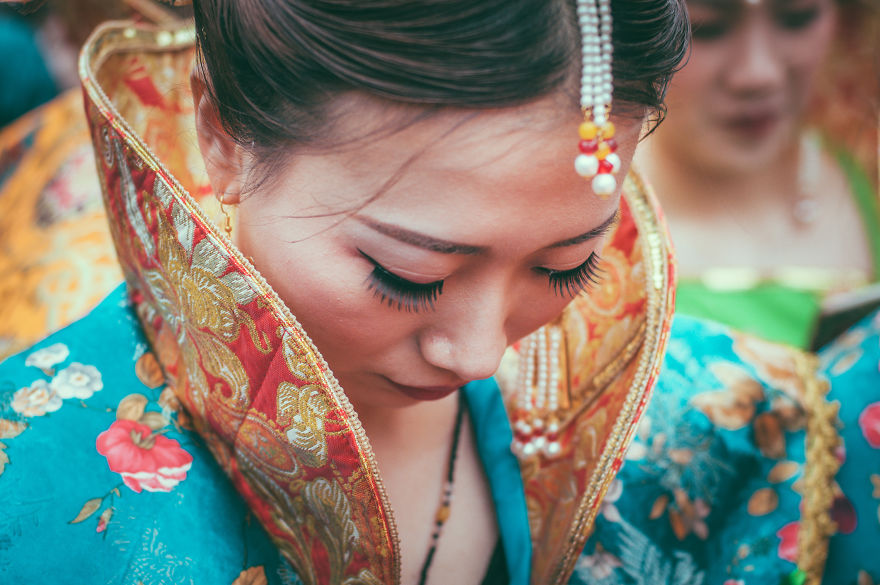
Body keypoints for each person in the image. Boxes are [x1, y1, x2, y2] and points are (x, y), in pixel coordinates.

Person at [0, 2, 877, 585]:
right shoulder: (32, 483)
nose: (481, 352)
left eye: (567, 265)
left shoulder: (721, 429)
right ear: (224, 134)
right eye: (408, 275)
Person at [634, 0, 880, 349]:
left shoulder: (869, 171)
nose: (758, 74)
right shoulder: (580, 221)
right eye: (706, 27)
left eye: (797, 18)